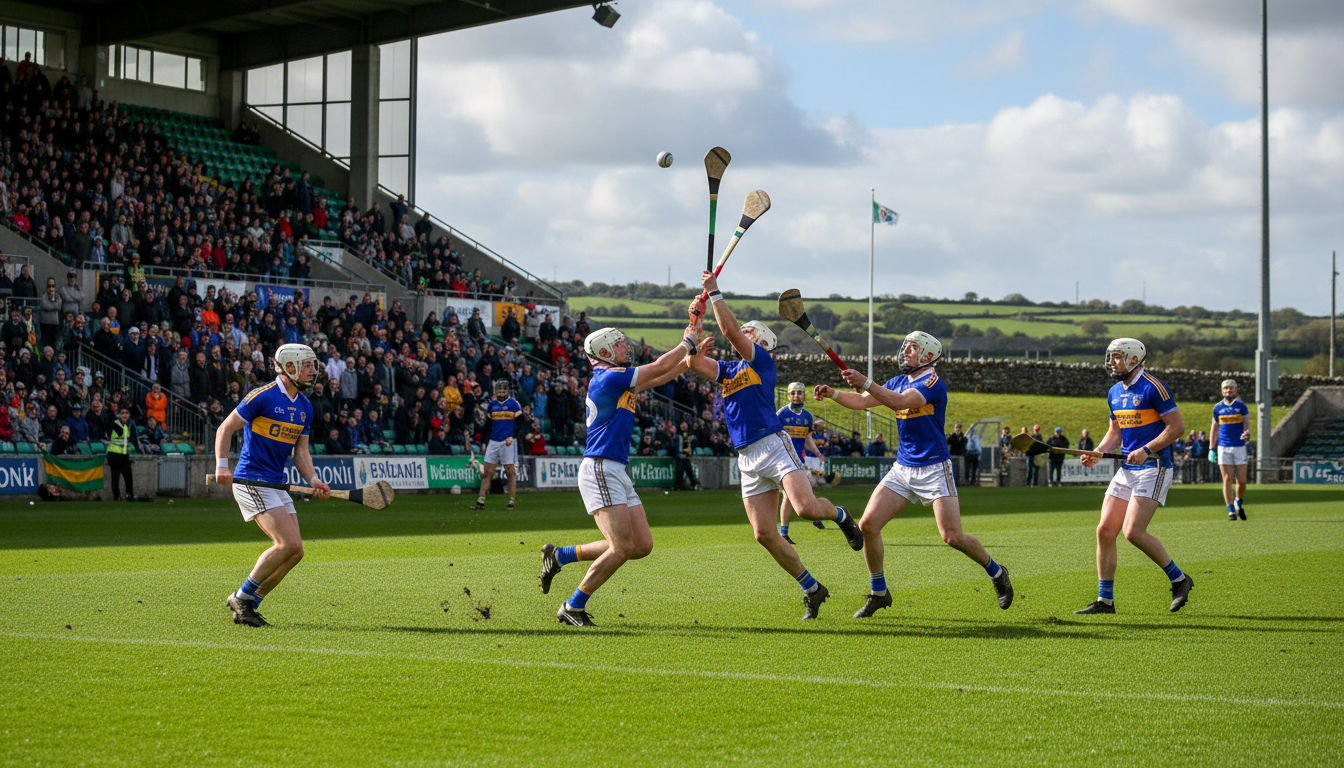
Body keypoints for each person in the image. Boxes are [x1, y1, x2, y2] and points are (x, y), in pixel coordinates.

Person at [685, 271, 861, 620]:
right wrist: (696, 320)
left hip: (773, 445)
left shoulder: (762, 362)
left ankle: (841, 516)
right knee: (764, 534)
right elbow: (692, 363)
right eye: (746, 330)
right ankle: (812, 588)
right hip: (747, 456)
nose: (744, 334)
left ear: (761, 342)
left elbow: (732, 332)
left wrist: (713, 291)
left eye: (750, 332)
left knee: (807, 509)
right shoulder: (729, 369)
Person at [817, 331, 1014, 618]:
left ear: (927, 356)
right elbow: (862, 402)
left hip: (934, 468)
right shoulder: (897, 381)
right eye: (906, 347)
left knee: (952, 536)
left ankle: (997, 572)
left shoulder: (932, 382)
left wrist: (867, 382)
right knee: (869, 525)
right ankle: (879, 593)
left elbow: (900, 402)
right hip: (902, 468)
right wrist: (833, 393)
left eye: (912, 348)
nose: (905, 351)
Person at [538, 319, 706, 627]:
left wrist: (689, 360)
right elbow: (655, 368)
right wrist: (687, 342)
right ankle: (573, 605)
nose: (623, 346)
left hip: (614, 469)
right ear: (603, 351)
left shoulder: (617, 378)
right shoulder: (608, 377)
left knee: (640, 545)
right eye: (616, 343)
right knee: (622, 546)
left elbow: (658, 377)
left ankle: (560, 555)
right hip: (600, 467)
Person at [213, 343, 332, 628]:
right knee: (286, 543)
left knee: (296, 551)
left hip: (276, 483)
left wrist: (313, 479)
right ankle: (241, 596)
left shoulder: (304, 406)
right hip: (251, 479)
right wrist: (221, 465)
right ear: (290, 366)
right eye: (308, 365)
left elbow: (301, 452)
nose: (314, 371)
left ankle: (250, 604)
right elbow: (225, 428)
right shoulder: (262, 396)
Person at [1075, 338, 1192, 615]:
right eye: (1111, 357)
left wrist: (1147, 449)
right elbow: (1115, 432)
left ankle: (1180, 580)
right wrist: (1099, 452)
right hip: (1127, 471)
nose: (1112, 362)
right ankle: (1105, 601)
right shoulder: (1114, 392)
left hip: (1154, 467)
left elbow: (1176, 428)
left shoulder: (1154, 388)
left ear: (1133, 358)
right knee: (1104, 530)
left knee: (1133, 532)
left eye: (1117, 357)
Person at [776, 381, 829, 544]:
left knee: (806, 488)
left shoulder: (807, 416)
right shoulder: (781, 414)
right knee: (787, 495)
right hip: (783, 461)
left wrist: (817, 452)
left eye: (799, 392)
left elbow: (807, 437)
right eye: (793, 393)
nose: (796, 395)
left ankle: (813, 514)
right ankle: (783, 533)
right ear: (788, 395)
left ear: (804, 395)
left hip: (799, 460)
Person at [469, 380, 522, 511]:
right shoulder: (492, 405)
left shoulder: (513, 404)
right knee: (487, 472)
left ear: (508, 391)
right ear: (495, 391)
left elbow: (521, 424)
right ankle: (480, 501)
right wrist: (484, 442)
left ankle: (511, 500)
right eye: (499, 390)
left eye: (503, 390)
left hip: (507, 442)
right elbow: (488, 426)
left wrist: (512, 436)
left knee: (510, 472)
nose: (501, 392)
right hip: (493, 441)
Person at [1210, 378, 1251, 520]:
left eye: (1231, 388)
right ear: (1222, 391)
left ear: (1235, 391)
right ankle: (1230, 510)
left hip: (1239, 447)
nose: (1229, 391)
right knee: (1227, 478)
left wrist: (1247, 434)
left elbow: (1246, 423)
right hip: (1223, 447)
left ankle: (1238, 501)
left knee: (1242, 480)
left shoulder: (1241, 406)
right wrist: (1211, 448)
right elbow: (1214, 428)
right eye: (1226, 389)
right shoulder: (1218, 408)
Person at [107, 406, 136, 501]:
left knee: (128, 476)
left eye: (126, 413)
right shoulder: (116, 423)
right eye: (122, 413)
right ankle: (118, 496)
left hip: (122, 454)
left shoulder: (126, 425)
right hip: (114, 453)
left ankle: (128, 495)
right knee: (116, 477)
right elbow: (119, 433)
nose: (124, 415)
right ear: (119, 414)